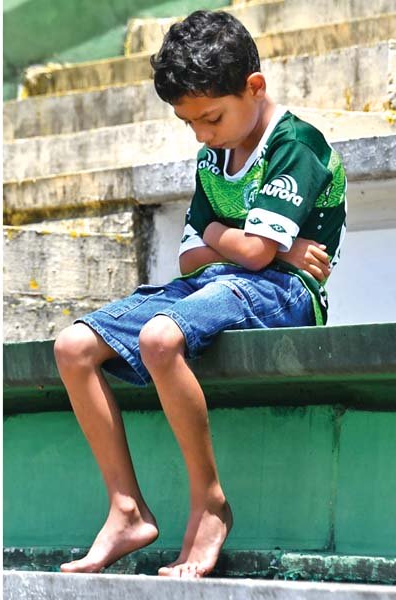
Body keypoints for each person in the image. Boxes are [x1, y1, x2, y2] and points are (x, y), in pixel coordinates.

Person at [53, 10, 346, 578]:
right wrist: (251, 242)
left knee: (161, 339)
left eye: (210, 118)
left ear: (254, 87)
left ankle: (210, 502)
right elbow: (192, 255)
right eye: (191, 124)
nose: (202, 135)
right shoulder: (214, 153)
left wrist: (245, 244)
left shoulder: (295, 143)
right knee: (72, 346)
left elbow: (258, 259)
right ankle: (126, 508)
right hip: (215, 284)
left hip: (285, 292)